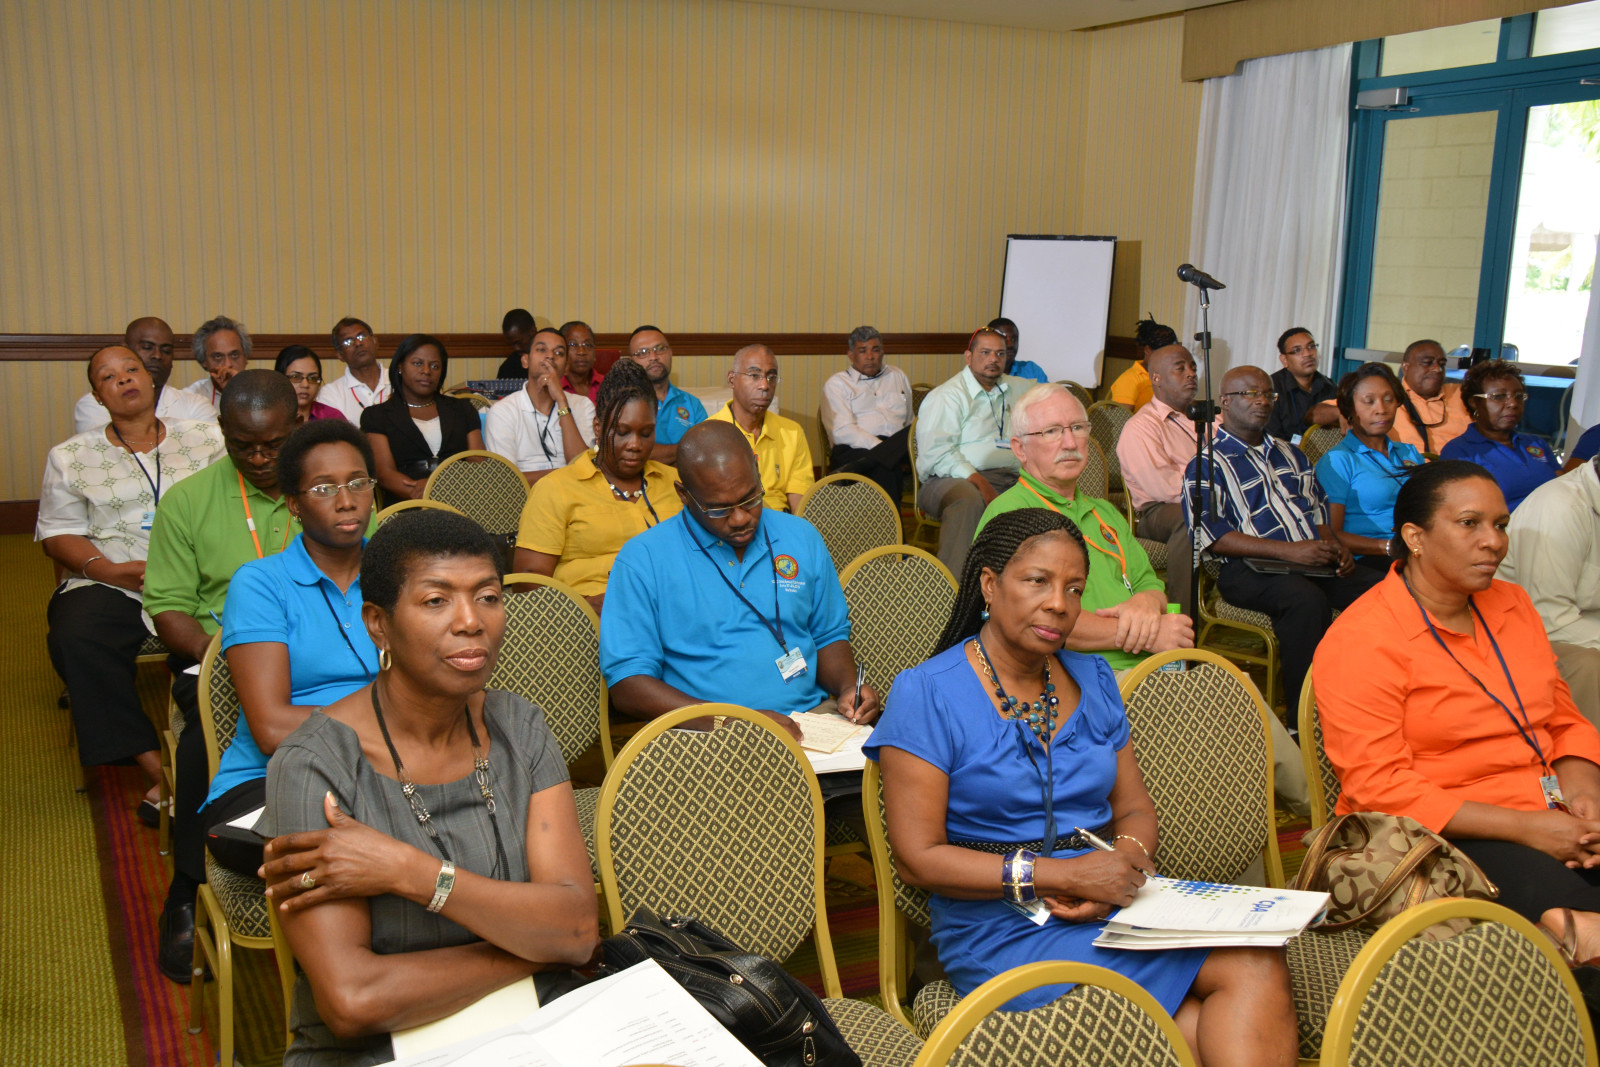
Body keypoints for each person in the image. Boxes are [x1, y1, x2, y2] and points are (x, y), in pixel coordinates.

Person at [867, 509, 1297, 1066]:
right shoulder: (927, 692)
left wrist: (1121, 863)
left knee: (1199, 1031)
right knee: (1251, 966)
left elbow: (1135, 810)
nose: (1059, 604)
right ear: (989, 585)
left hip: (1103, 904)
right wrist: (1063, 875)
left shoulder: (1092, 678)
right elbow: (917, 860)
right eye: (1038, 581)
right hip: (1000, 925)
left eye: (1074, 588)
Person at [257, 509, 599, 1066]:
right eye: (436, 600)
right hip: (379, 1050)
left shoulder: (520, 726)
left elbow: (578, 929)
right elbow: (353, 1000)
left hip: (531, 1021)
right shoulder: (314, 766)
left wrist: (409, 872)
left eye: (488, 597)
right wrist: (538, 951)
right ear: (378, 623)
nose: (471, 621)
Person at [1314, 461, 1600, 962]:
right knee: (1581, 932)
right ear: (1415, 538)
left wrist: (1584, 793)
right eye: (1470, 523)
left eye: (1501, 524)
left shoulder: (1513, 604)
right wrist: (1529, 828)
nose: (1494, 542)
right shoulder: (1362, 638)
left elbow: (1560, 716)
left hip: (1554, 814)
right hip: (1449, 834)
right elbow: (1378, 786)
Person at [143, 370, 300, 981]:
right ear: (222, 432)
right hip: (217, 658)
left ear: (298, 428)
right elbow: (169, 611)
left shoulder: (327, 492)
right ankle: (188, 887)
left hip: (322, 659)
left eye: (273, 445)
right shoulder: (188, 501)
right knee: (206, 735)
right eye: (243, 445)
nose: (258, 458)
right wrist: (236, 654)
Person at [599, 420, 880, 742]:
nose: (741, 518)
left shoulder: (801, 536)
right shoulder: (643, 558)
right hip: (702, 734)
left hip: (810, 723)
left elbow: (828, 635)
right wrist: (733, 722)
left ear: (757, 470)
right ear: (684, 495)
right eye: (719, 509)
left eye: (750, 499)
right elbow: (628, 685)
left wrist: (848, 687)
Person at [39, 346, 224, 823]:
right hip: (116, 577)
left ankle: (224, 759)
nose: (123, 379)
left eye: (131, 369)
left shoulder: (206, 438)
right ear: (98, 397)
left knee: (236, 632)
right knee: (76, 635)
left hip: (200, 573)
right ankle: (159, 770)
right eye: (108, 377)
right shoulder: (71, 456)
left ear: (151, 379)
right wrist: (107, 570)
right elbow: (58, 534)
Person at [205, 419, 380, 880]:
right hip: (271, 778)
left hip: (388, 771)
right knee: (363, 845)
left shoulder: (400, 575)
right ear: (294, 504)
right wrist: (399, 726)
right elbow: (270, 727)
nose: (346, 500)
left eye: (358, 483)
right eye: (323, 488)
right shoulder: (261, 583)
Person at [1183, 365, 1384, 730]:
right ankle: (1303, 721)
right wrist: (1290, 552)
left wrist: (1333, 545)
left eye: (1268, 394)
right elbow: (1213, 535)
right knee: (1305, 600)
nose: (1262, 401)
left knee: (1383, 589)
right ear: (1225, 402)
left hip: (1309, 559)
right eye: (1250, 394)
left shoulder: (1291, 454)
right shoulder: (1206, 463)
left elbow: (1318, 511)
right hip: (1246, 568)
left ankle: (1371, 699)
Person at [974, 383, 1194, 675]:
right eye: (1051, 431)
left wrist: (1146, 603)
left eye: (1077, 428)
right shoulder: (1011, 514)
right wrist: (1146, 634)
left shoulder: (1104, 512)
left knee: (1241, 693)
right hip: (1071, 675)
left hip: (1148, 665)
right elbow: (1031, 618)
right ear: (1019, 448)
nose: (1069, 443)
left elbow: (1149, 583)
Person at [512, 359, 683, 612]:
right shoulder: (557, 489)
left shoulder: (676, 483)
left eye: (646, 433)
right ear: (598, 427)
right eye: (622, 432)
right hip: (588, 621)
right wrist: (585, 606)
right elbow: (527, 582)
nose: (635, 445)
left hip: (674, 611)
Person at [915, 328, 1034, 576]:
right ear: (968, 357)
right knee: (968, 500)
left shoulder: (1016, 388)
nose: (994, 359)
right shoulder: (947, 396)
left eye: (1000, 354)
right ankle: (955, 588)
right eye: (985, 352)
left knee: (1051, 491)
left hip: (1010, 475)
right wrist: (978, 480)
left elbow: (1053, 398)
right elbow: (937, 454)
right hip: (947, 479)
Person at [1498, 455, 1600, 731]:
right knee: (1589, 665)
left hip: (1582, 629)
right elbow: (1550, 619)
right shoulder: (1562, 507)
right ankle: (1582, 753)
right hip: (1522, 635)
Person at [1116, 343, 1206, 612]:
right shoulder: (1142, 427)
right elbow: (1165, 489)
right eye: (1180, 368)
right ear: (1156, 378)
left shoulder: (1210, 419)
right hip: (1159, 511)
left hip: (1208, 500)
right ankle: (1182, 618)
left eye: (1193, 367)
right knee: (1189, 518)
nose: (1191, 373)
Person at [1315, 363, 1424, 569]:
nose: (1381, 410)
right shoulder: (1338, 460)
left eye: (1388, 400)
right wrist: (1390, 547)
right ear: (1350, 409)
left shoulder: (1409, 453)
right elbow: (1331, 533)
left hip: (1415, 551)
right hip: (1365, 559)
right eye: (1369, 401)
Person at [361, 335, 484, 501]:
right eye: (417, 363)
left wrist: (440, 489)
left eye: (435, 366)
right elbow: (384, 474)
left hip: (461, 500)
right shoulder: (376, 416)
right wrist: (422, 495)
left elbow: (478, 462)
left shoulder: (463, 409)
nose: (426, 371)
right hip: (405, 504)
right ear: (400, 366)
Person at [1440, 359, 1559, 512]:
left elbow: (1564, 489)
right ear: (1474, 402)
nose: (1513, 403)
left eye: (1519, 396)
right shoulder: (1459, 451)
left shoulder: (1536, 443)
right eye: (1499, 396)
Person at [708, 344, 814, 512]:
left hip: (781, 521)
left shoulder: (792, 432)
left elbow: (800, 501)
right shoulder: (709, 434)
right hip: (733, 520)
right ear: (731, 380)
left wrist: (797, 527)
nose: (765, 385)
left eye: (771, 377)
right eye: (754, 375)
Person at [483, 327, 596, 485]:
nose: (550, 356)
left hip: (575, 497)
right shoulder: (503, 411)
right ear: (525, 361)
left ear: (566, 367)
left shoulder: (583, 405)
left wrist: (562, 401)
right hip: (524, 498)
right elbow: (506, 481)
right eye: (542, 349)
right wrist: (566, 474)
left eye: (559, 353)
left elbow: (584, 469)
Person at [74, 317, 216, 432]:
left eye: (166, 351)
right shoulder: (93, 404)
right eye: (147, 348)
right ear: (125, 349)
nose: (157, 356)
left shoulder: (194, 404)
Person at [821, 325, 913, 504]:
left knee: (916, 429)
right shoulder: (837, 384)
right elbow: (842, 431)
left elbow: (909, 420)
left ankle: (868, 464)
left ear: (882, 352)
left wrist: (891, 449)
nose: (870, 357)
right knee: (887, 468)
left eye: (875, 350)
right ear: (851, 355)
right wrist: (883, 449)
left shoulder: (897, 376)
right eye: (863, 351)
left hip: (897, 446)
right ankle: (892, 524)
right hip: (854, 449)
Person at [627, 325, 706, 465]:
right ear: (632, 361)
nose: (653, 357)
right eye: (643, 352)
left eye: (659, 348)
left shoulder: (692, 404)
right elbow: (637, 453)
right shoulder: (624, 403)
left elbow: (705, 450)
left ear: (670, 353)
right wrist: (687, 451)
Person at [1390, 339, 1470, 455]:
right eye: (1428, 362)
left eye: (1442, 364)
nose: (1437, 369)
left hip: (1461, 464)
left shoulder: (1462, 394)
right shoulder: (1389, 399)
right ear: (1405, 367)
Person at [1265, 327, 1339, 441]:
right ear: (1284, 360)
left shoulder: (1330, 387)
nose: (1307, 354)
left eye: (1311, 346)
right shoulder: (1270, 389)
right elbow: (1270, 437)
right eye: (1297, 350)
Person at [319, 317, 392, 420]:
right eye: (348, 341)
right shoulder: (331, 394)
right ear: (340, 355)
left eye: (362, 336)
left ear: (375, 342)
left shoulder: (399, 380)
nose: (358, 343)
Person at [1107, 317, 1181, 412]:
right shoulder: (1130, 379)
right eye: (1164, 355)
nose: (1169, 360)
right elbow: (1121, 419)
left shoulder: (1170, 376)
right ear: (1147, 350)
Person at [186, 315, 251, 409]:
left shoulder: (262, 393)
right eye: (218, 357)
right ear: (204, 361)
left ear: (245, 357)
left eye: (234, 355)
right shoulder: (191, 397)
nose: (227, 364)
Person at [276, 345, 346, 425]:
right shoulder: (268, 417)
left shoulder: (333, 418)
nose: (305, 385)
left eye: (313, 378)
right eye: (296, 377)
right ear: (279, 379)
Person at [988, 317, 1048, 384]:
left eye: (1014, 339)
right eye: (1004, 339)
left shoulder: (1032, 370)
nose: (1010, 344)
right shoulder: (981, 374)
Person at [560, 320, 603, 401]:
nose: (581, 352)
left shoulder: (607, 384)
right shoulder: (554, 386)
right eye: (573, 344)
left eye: (587, 345)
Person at [495, 308, 536, 380]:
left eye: (518, 342)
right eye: (511, 344)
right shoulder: (508, 368)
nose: (516, 348)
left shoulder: (551, 358)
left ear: (532, 332)